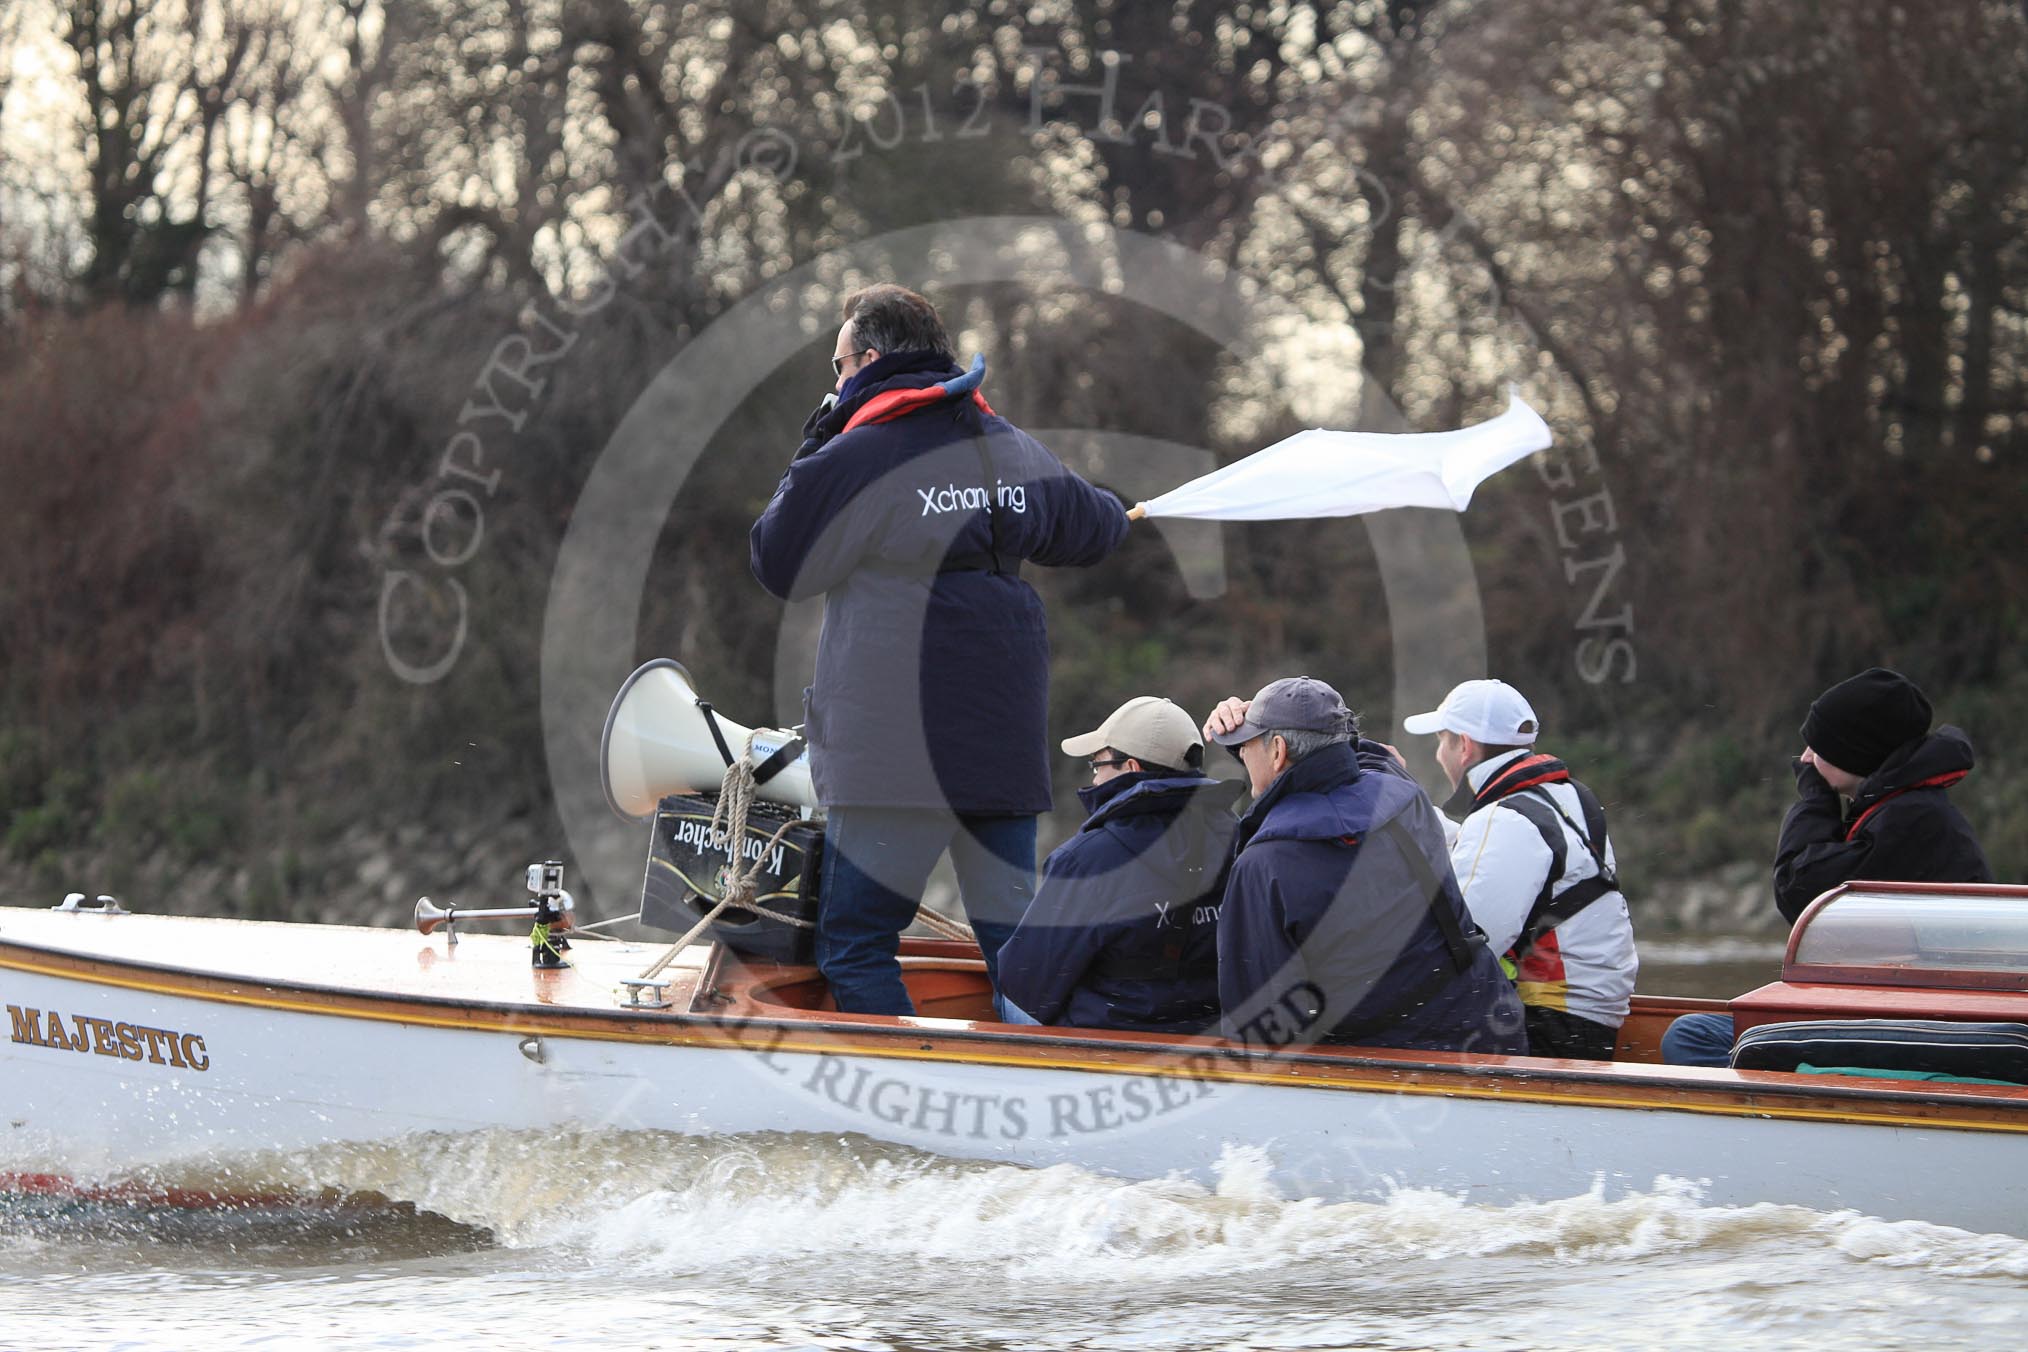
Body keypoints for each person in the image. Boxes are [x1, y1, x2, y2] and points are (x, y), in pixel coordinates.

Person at [750, 284, 1129, 1014]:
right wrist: (1114, 507)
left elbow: (779, 559)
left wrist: (819, 436)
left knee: (857, 943)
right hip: (1001, 752)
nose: (834, 384)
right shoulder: (1012, 448)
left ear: (866, 361)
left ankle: (893, 1125)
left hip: (892, 759)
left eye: (837, 368)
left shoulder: (857, 456)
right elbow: (1100, 528)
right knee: (1017, 953)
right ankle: (1038, 1108)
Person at [1662, 667, 1994, 1066]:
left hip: (1914, 1025)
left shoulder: (1913, 818)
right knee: (1696, 1031)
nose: (1804, 759)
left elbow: (1800, 892)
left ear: (1857, 751)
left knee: (1690, 1037)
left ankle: (1769, 1118)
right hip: (1888, 1008)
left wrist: (1813, 799)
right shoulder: (1903, 810)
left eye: (1818, 748)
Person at [1204, 677, 1528, 1056]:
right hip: (1484, 1028)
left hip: (1389, 1069)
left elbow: (1256, 1028)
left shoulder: (1263, 863)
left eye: (1247, 746)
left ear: (1277, 751)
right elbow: (1357, 763)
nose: (1242, 755)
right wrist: (1276, 737)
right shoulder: (1404, 796)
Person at [1402, 679, 1636, 1061]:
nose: (1438, 755)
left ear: (1464, 746)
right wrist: (1414, 817)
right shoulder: (1564, 796)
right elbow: (1496, 856)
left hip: (1549, 1024)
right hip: (1590, 1019)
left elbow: (1466, 944)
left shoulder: (1504, 819)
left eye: (1442, 741)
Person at [996, 697, 1242, 1033]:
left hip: (1113, 1037)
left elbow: (1024, 985)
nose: (1095, 781)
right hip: (1215, 1032)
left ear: (1131, 768)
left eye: (1098, 766)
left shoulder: (1085, 859)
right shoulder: (1243, 837)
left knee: (1006, 996)